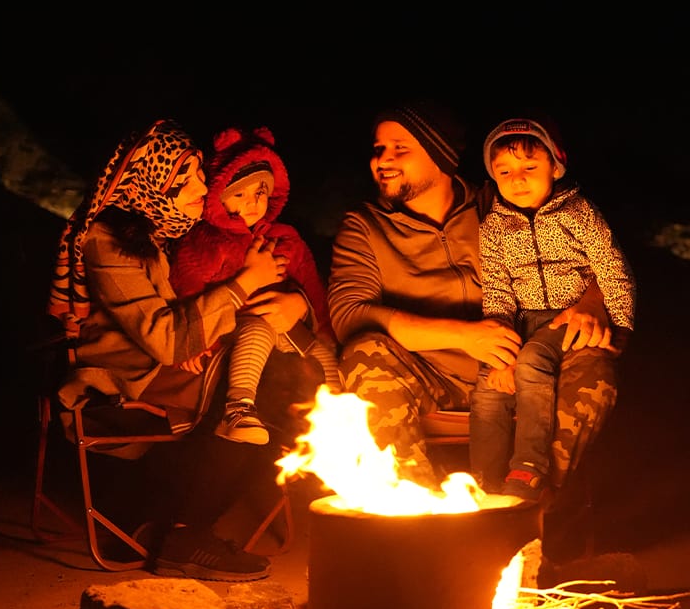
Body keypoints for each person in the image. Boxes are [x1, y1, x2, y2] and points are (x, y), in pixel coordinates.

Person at [327, 101, 620, 564]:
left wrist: (589, 304)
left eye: (399, 148)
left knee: (593, 360)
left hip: (525, 366)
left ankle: (523, 527)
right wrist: (466, 336)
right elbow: (351, 315)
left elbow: (591, 252)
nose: (382, 160)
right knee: (365, 356)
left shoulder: (497, 202)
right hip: (429, 374)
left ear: (440, 156)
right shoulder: (365, 228)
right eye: (379, 148)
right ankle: (420, 532)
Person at [47, 118, 307, 583]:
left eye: (199, 174)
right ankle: (187, 534)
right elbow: (165, 339)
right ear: (148, 181)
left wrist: (292, 300)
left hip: (176, 366)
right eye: (182, 178)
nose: (200, 186)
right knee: (272, 388)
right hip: (125, 380)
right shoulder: (107, 240)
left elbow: (195, 315)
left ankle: (171, 522)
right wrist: (246, 280)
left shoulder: (165, 231)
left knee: (288, 382)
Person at [469, 116, 636, 503]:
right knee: (488, 388)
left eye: (530, 167)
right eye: (504, 171)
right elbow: (497, 290)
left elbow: (611, 266)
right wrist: (499, 347)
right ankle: (484, 485)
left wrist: (621, 327)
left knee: (532, 361)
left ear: (555, 166)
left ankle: (527, 468)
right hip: (523, 320)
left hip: (564, 316)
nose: (517, 179)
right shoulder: (494, 227)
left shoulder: (577, 212)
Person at [169, 125, 340, 447]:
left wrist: (324, 327)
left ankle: (339, 419)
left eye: (260, 193)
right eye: (241, 194)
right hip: (233, 327)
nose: (253, 202)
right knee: (257, 330)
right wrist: (193, 342)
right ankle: (238, 408)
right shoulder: (207, 242)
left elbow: (312, 284)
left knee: (322, 354)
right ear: (219, 197)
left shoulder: (285, 238)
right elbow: (186, 286)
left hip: (289, 328)